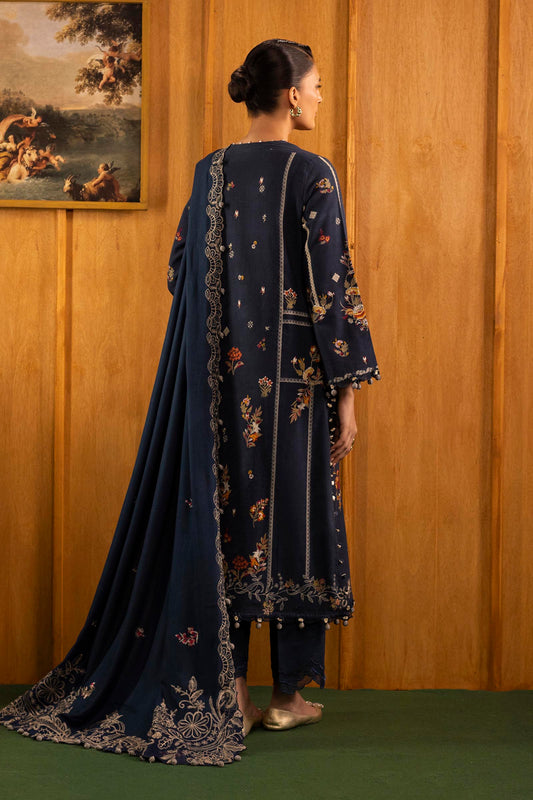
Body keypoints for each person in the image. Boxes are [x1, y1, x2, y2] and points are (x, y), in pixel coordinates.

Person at [0, 39, 379, 765]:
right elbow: (332, 287)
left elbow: (181, 269)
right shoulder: (312, 172)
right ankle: (287, 696)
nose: (320, 97)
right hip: (295, 384)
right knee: (293, 521)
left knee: (226, 523)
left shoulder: (211, 171)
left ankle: (229, 692)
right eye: (317, 85)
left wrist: (230, 325)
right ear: (291, 95)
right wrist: (349, 392)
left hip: (216, 383)